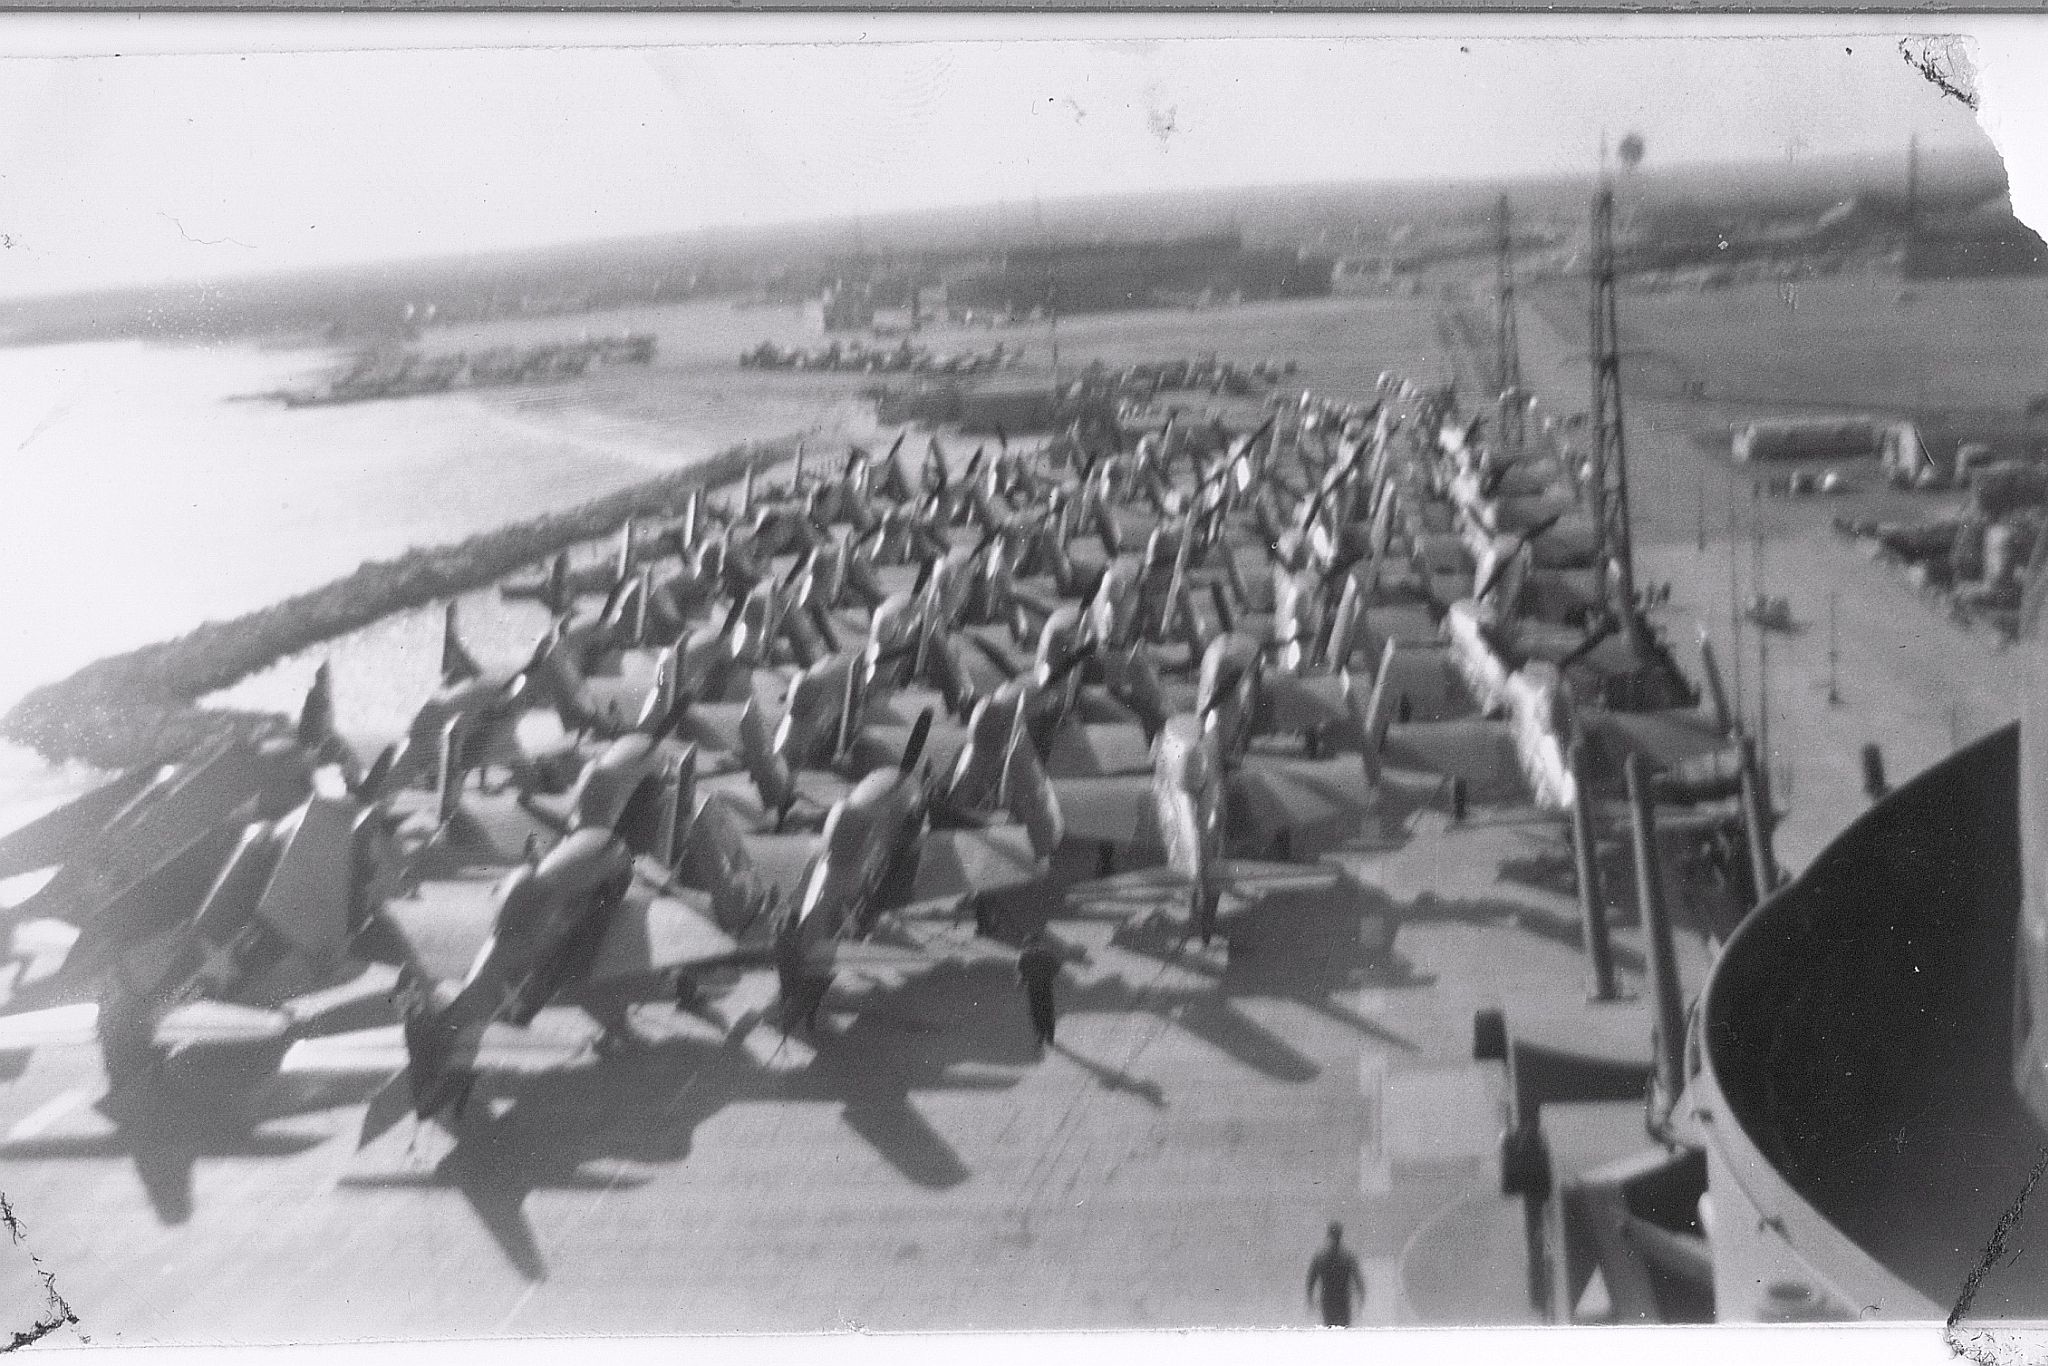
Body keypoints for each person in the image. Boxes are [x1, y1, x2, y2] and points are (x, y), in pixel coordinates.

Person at [1305, 1222, 1366, 1328]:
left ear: (1329, 1236)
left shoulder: (1321, 1257)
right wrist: (1361, 1298)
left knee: (1330, 1329)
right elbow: (1358, 1281)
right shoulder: (1347, 1257)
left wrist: (1310, 1298)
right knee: (1343, 1329)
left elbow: (1311, 1281)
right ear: (1340, 1236)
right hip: (1343, 1301)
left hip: (1328, 1301)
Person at [1016, 932, 1064, 1050]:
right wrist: (1021, 982)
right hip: (1036, 987)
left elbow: (1056, 967)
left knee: (1045, 1010)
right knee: (1038, 1011)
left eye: (1034, 944)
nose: (1033, 947)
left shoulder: (1041, 955)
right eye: (1030, 945)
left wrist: (1049, 976)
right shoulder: (1028, 956)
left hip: (1042, 986)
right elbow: (1022, 972)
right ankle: (1042, 1034)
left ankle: (1047, 1034)